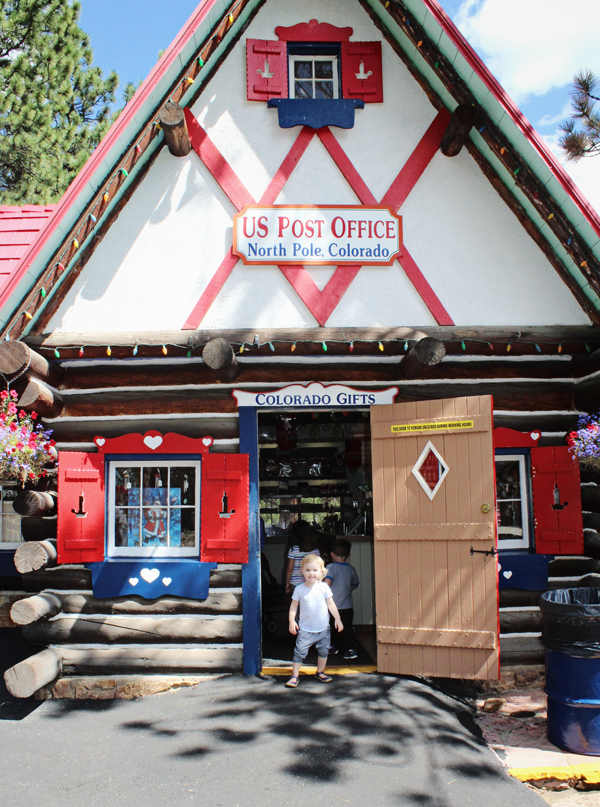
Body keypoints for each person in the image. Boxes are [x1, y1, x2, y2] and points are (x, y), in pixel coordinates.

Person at [285, 554, 343, 688]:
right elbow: (293, 606)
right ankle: (294, 675)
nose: (311, 573)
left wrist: (338, 619)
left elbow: (331, 604)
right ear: (302, 571)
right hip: (305, 630)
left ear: (322, 572)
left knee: (323, 651)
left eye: (315, 570)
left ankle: (320, 672)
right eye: (308, 570)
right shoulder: (299, 589)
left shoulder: (324, 587)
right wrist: (291, 621)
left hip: (323, 629)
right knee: (299, 651)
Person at [324, 538, 360, 660]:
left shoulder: (331, 567)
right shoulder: (351, 569)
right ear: (348, 556)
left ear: (332, 554)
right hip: (347, 606)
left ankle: (334, 646)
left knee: (332, 627)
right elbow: (355, 584)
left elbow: (327, 582)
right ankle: (351, 649)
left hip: (333, 606)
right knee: (347, 627)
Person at [285, 519, 320, 593]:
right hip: (311, 582)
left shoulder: (293, 549)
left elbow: (290, 568)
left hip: (296, 583)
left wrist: (287, 584)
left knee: (298, 603)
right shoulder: (315, 550)